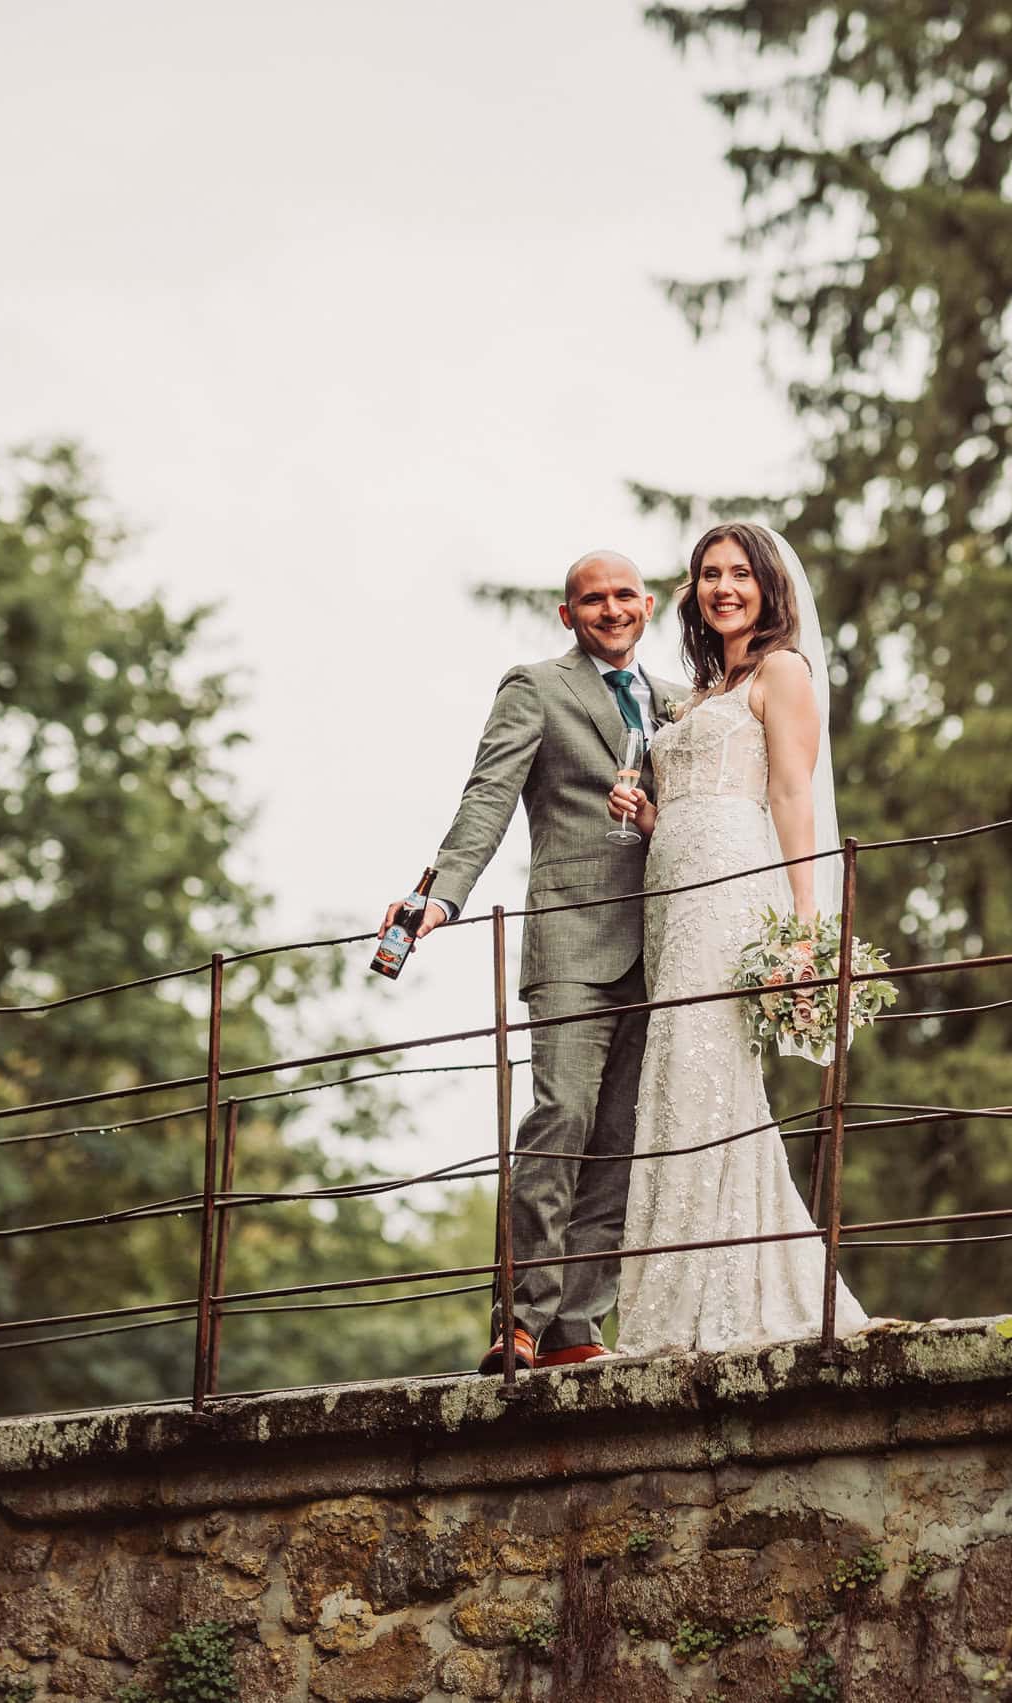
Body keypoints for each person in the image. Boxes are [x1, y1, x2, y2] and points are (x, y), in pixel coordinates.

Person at [384, 550, 686, 1373]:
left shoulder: (679, 701)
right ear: (568, 615)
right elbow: (487, 793)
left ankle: (576, 1324)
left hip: (661, 946)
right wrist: (441, 893)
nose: (611, 609)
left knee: (622, 1138)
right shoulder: (537, 686)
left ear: (649, 606)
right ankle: (519, 1316)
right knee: (561, 1120)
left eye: (625, 595)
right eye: (594, 599)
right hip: (571, 942)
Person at [604, 523, 871, 1354]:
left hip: (732, 891)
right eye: (710, 574)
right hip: (671, 891)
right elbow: (691, 795)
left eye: (740, 573)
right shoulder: (705, 688)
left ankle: (723, 1289)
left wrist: (806, 923)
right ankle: (680, 1287)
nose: (724, 586)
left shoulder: (783, 670)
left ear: (767, 586)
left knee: (708, 1069)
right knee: (676, 1071)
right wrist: (649, 814)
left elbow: (791, 793)